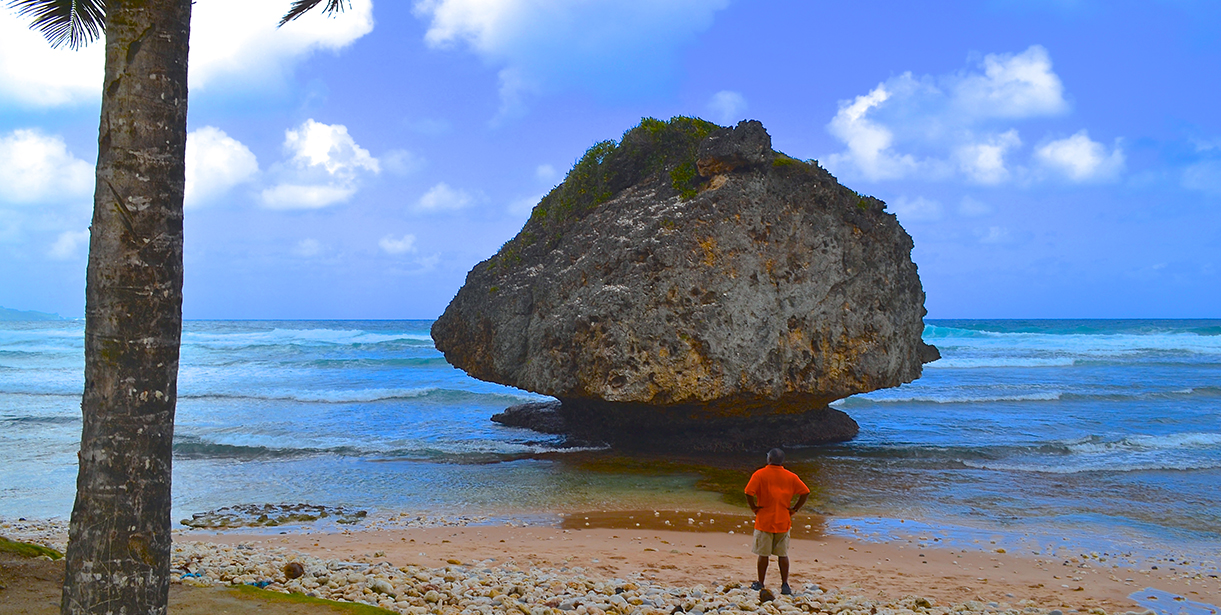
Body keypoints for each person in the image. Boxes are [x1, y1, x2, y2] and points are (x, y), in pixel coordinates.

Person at [744, 448, 810, 595]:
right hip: (783, 519)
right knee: (783, 554)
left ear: (769, 459)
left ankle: (761, 582)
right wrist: (795, 509)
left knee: (763, 554)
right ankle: (785, 584)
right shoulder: (791, 476)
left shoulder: (760, 474)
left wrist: (754, 507)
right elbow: (805, 492)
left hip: (765, 520)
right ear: (782, 461)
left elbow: (748, 492)